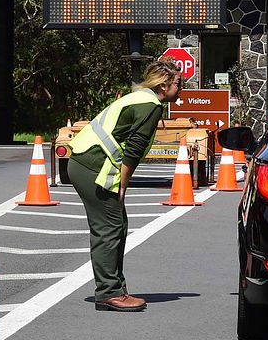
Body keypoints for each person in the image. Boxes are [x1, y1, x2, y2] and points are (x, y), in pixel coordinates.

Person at [66, 59, 182, 312]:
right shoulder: (150, 106)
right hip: (93, 166)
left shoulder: (139, 98)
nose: (180, 88)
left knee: (116, 225)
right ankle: (109, 292)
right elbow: (134, 149)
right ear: (164, 85)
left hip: (83, 162)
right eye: (177, 83)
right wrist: (123, 185)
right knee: (109, 227)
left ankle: (114, 288)